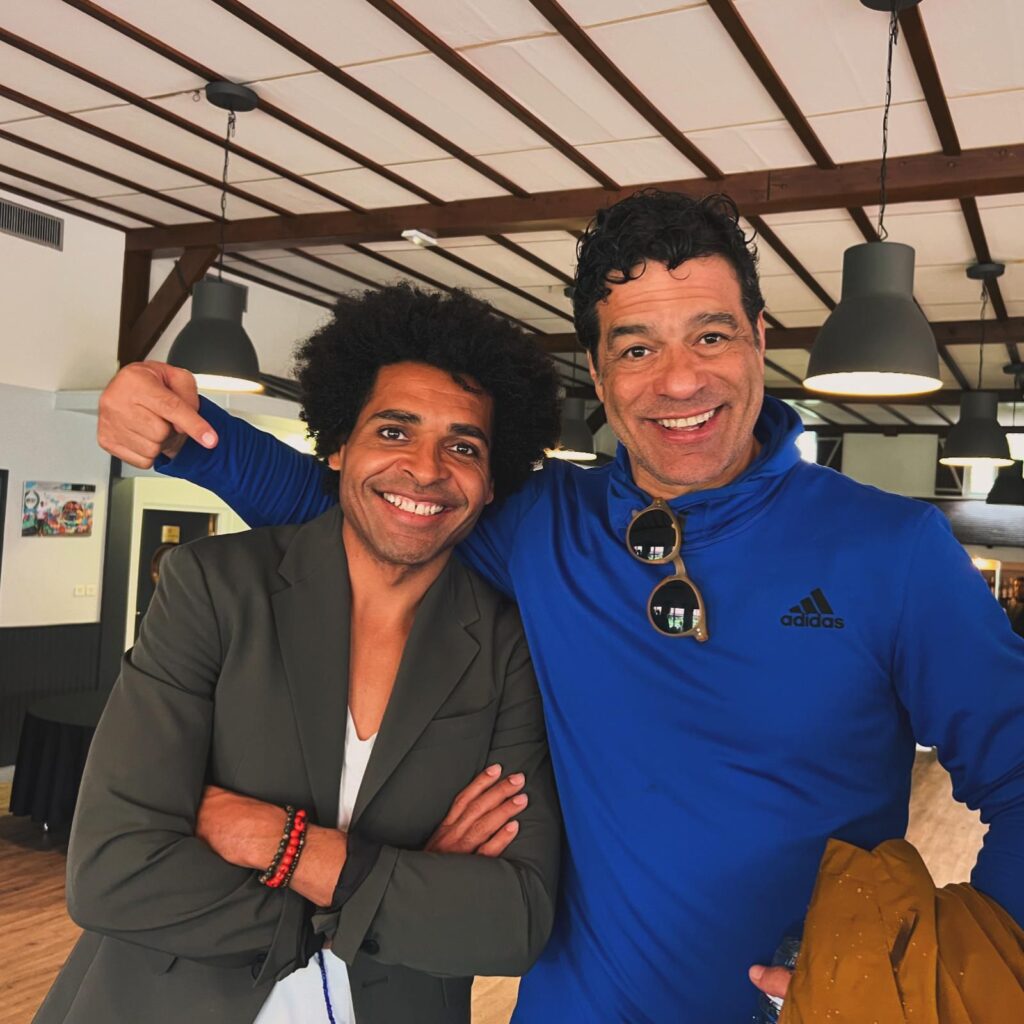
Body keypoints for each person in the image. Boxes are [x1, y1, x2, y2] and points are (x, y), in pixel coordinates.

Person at [96, 191, 1024, 1022]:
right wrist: (186, 437)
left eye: (710, 335)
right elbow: (378, 508)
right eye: (637, 347)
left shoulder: (893, 551)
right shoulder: (546, 524)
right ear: (599, 369)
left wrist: (950, 976)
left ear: (758, 335)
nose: (679, 380)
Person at [39, 285, 563, 1024]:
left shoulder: (508, 647)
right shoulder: (214, 589)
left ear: (490, 483)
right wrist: (396, 889)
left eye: (463, 446)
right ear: (339, 446)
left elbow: (511, 922)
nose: (425, 468)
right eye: (393, 431)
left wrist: (281, 846)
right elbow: (112, 874)